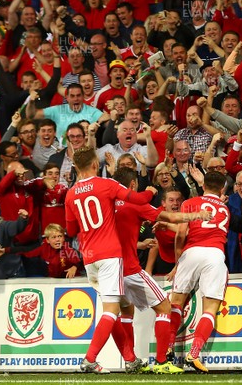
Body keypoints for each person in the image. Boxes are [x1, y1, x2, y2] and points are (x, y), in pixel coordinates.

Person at [64, 146, 156, 374]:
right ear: (96, 164)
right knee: (111, 310)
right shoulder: (107, 185)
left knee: (110, 309)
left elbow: (71, 228)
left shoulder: (71, 194)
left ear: (76, 167)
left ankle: (130, 358)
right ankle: (89, 359)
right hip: (109, 255)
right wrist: (152, 191)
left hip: (89, 257)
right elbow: (138, 199)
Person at [112, 167, 210, 373]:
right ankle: (162, 362)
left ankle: (131, 362)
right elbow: (172, 218)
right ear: (132, 185)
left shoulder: (107, 204)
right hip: (130, 268)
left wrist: (138, 244)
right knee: (165, 308)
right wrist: (198, 215)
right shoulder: (135, 203)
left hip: (110, 269)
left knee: (124, 312)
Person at [168, 172, 230, 373]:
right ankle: (193, 354)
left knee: (176, 302)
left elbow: (181, 234)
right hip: (214, 254)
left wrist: (178, 263)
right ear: (222, 190)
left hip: (191, 251)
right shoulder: (225, 210)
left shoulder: (190, 203)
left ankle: (168, 350)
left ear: (203, 186)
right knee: (210, 309)